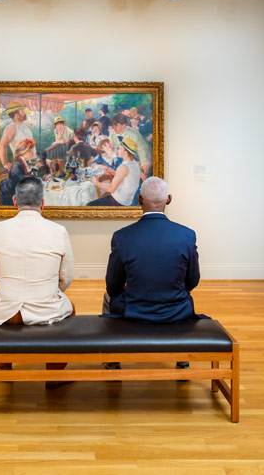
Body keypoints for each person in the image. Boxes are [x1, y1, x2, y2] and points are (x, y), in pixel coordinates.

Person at [102, 177, 201, 372]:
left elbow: (113, 287)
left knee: (107, 297)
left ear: (139, 200)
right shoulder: (187, 235)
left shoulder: (122, 236)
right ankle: (182, 361)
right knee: (185, 295)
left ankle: (112, 359)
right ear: (169, 199)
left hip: (134, 310)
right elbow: (192, 281)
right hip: (176, 310)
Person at [0, 176, 76, 386]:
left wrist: (12, 288)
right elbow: (66, 277)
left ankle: (4, 368)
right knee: (71, 309)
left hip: (9, 311)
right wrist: (48, 291)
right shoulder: (58, 231)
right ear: (43, 204)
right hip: (46, 309)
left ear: (15, 201)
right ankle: (53, 375)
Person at [87, 138, 140, 206]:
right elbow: (127, 177)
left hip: (118, 202)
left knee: (89, 205)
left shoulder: (124, 167)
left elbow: (111, 188)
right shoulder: (135, 164)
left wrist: (96, 183)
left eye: (120, 148)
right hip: (128, 200)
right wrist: (115, 173)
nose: (117, 150)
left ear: (126, 153)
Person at [109, 113, 151, 180]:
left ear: (124, 125)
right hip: (121, 163)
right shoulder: (113, 134)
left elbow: (142, 151)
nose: (114, 128)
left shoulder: (134, 134)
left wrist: (145, 167)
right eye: (113, 126)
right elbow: (110, 148)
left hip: (135, 161)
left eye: (116, 125)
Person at [0, 139, 36, 206]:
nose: (32, 152)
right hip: (8, 196)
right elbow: (23, 182)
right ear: (23, 152)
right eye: (30, 150)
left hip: (18, 192)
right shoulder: (17, 166)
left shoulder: (24, 162)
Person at [0, 102, 33, 172]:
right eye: (22, 111)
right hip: (21, 166)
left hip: (31, 164)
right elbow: (2, 145)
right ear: (17, 115)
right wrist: (5, 164)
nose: (25, 113)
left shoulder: (24, 126)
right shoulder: (11, 128)